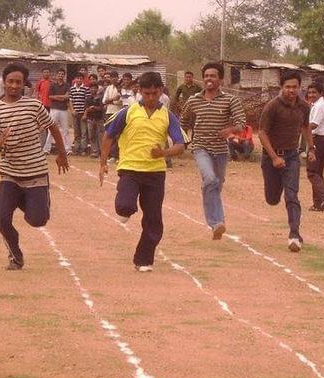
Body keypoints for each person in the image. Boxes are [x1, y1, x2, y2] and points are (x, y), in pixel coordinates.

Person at [0, 63, 69, 270]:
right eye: (10, 81)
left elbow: (52, 127)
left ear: (24, 84)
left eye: (18, 82)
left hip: (36, 172)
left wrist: (62, 154)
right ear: (4, 82)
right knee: (2, 220)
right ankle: (15, 255)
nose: (13, 85)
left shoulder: (34, 106)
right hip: (9, 173)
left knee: (37, 220)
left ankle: (35, 203)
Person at [98, 72, 187, 272]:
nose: (151, 97)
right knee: (124, 205)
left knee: (154, 220)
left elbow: (180, 145)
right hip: (130, 168)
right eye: (147, 93)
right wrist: (103, 163)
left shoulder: (168, 116)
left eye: (155, 93)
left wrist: (162, 152)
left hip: (155, 173)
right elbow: (108, 136)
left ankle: (143, 260)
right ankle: (126, 210)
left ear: (161, 91)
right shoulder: (127, 112)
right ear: (140, 92)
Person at [181, 62, 246, 240]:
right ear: (202, 79)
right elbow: (183, 122)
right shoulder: (193, 100)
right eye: (206, 76)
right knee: (210, 179)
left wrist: (231, 130)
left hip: (221, 151)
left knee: (216, 184)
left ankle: (216, 220)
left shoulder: (230, 100)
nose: (209, 79)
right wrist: (182, 141)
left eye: (213, 76)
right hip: (200, 148)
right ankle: (216, 222)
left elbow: (241, 123)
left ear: (221, 79)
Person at [258, 70, 311, 253]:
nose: (291, 90)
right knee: (272, 199)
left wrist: (311, 148)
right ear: (281, 87)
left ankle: (294, 234)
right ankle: (275, 189)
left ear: (299, 87)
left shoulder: (304, 106)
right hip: (270, 157)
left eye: (294, 87)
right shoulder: (272, 106)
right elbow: (262, 133)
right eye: (287, 87)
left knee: (292, 195)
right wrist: (274, 157)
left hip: (292, 157)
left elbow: (305, 127)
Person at [305, 82, 324, 212]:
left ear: (320, 93)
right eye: (309, 92)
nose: (311, 95)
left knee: (312, 172)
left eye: (314, 92)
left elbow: (313, 125)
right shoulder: (318, 105)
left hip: (320, 141)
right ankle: (319, 203)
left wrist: (299, 127)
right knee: (317, 172)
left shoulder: (319, 106)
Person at [43, 69, 71, 155]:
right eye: (59, 74)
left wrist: (57, 97)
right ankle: (47, 149)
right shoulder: (53, 85)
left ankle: (68, 149)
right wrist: (61, 97)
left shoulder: (67, 85)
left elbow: (67, 97)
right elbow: (50, 96)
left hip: (64, 110)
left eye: (62, 74)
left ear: (64, 76)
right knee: (51, 129)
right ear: (56, 75)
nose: (60, 76)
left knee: (65, 130)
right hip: (54, 109)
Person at [102, 71, 122, 161]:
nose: (114, 79)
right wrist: (113, 99)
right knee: (110, 134)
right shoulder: (109, 88)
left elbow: (120, 101)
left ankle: (118, 155)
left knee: (118, 135)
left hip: (118, 112)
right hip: (109, 112)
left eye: (115, 77)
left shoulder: (120, 88)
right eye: (112, 77)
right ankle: (112, 155)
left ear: (118, 78)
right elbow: (104, 101)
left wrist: (111, 101)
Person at [69, 73, 90, 155]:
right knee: (76, 132)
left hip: (82, 113)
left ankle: (83, 149)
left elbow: (87, 102)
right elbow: (70, 100)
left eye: (81, 78)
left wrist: (85, 114)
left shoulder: (86, 89)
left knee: (84, 132)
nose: (79, 80)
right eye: (77, 78)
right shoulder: (72, 89)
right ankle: (76, 149)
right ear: (75, 79)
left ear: (83, 80)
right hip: (75, 113)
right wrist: (72, 110)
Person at [83, 82, 104, 158]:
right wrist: (89, 109)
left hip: (99, 119)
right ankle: (95, 151)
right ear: (90, 89)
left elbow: (102, 108)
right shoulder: (88, 98)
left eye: (95, 88)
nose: (93, 89)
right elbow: (86, 108)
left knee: (100, 135)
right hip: (90, 119)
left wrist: (94, 108)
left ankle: (102, 152)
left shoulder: (100, 98)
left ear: (97, 89)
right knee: (91, 136)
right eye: (92, 88)